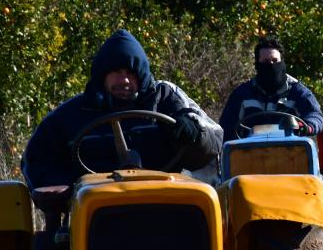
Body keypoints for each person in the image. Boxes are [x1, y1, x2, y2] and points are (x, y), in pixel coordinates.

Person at [22, 29, 222, 190]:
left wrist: (195, 133)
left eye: (130, 73)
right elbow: (36, 158)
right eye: (116, 72)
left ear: (141, 76)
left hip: (164, 203)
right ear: (102, 75)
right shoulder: (74, 113)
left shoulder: (165, 98)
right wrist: (69, 188)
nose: (124, 80)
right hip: (97, 210)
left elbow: (213, 136)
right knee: (47, 241)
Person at [219, 38, 323, 142]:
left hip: (290, 152)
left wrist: (306, 126)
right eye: (266, 61)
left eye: (275, 60)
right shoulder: (242, 93)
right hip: (250, 152)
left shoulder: (298, 92)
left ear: (282, 62)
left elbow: (315, 114)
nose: (271, 65)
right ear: (257, 63)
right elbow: (226, 126)